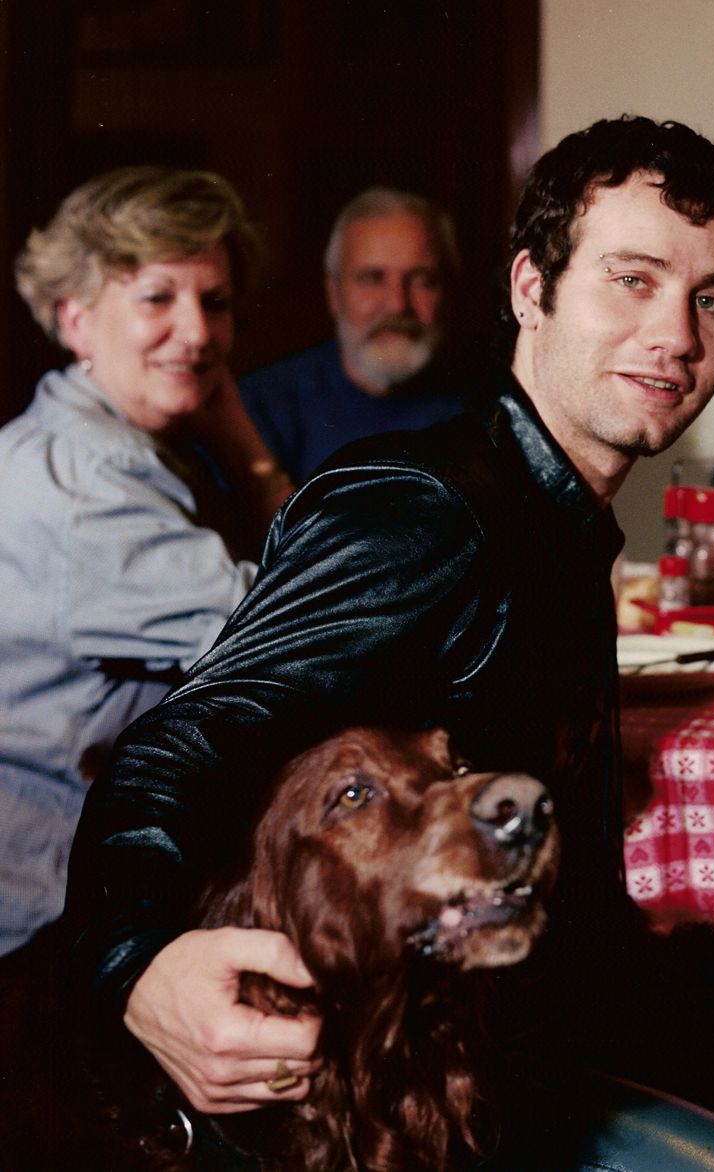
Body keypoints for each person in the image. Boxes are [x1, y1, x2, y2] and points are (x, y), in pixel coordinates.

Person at [64, 117, 714, 1169]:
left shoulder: (558, 519)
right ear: (530, 286)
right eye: (633, 280)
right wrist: (136, 967)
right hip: (387, 1086)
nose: (677, 336)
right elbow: (176, 746)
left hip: (517, 1022)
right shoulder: (426, 507)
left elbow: (582, 907)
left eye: (712, 301)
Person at [0, 165, 292, 1164]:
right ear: (75, 317)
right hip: (39, 951)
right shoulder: (88, 486)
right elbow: (299, 638)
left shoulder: (112, 446)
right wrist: (250, 451)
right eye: (158, 297)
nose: (198, 333)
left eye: (215, 300)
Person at [240, 187, 479, 481]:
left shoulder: (484, 412)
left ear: (449, 292)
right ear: (333, 293)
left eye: (422, 280)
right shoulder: (263, 407)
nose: (397, 305)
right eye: (372, 279)